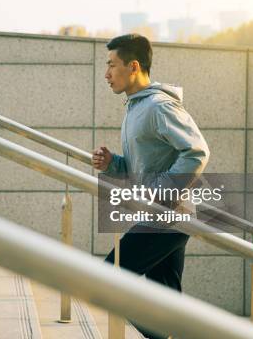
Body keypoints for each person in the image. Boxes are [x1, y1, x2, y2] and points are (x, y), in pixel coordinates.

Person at [92, 34, 210, 339]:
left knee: (107, 278)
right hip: (163, 214)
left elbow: (197, 152)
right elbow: (145, 164)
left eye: (111, 65)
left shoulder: (158, 106)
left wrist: (162, 193)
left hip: (168, 216)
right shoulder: (135, 107)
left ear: (132, 66)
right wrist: (114, 164)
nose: (106, 74)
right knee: (165, 303)